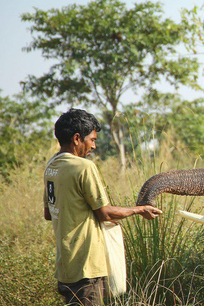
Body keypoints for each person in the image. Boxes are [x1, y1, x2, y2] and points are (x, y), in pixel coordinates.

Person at [43, 108, 162, 306]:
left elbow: (49, 213)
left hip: (65, 267)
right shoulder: (84, 167)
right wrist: (140, 210)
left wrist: (89, 217)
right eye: (92, 140)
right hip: (86, 266)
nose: (94, 146)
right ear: (77, 138)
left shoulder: (52, 165)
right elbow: (105, 212)